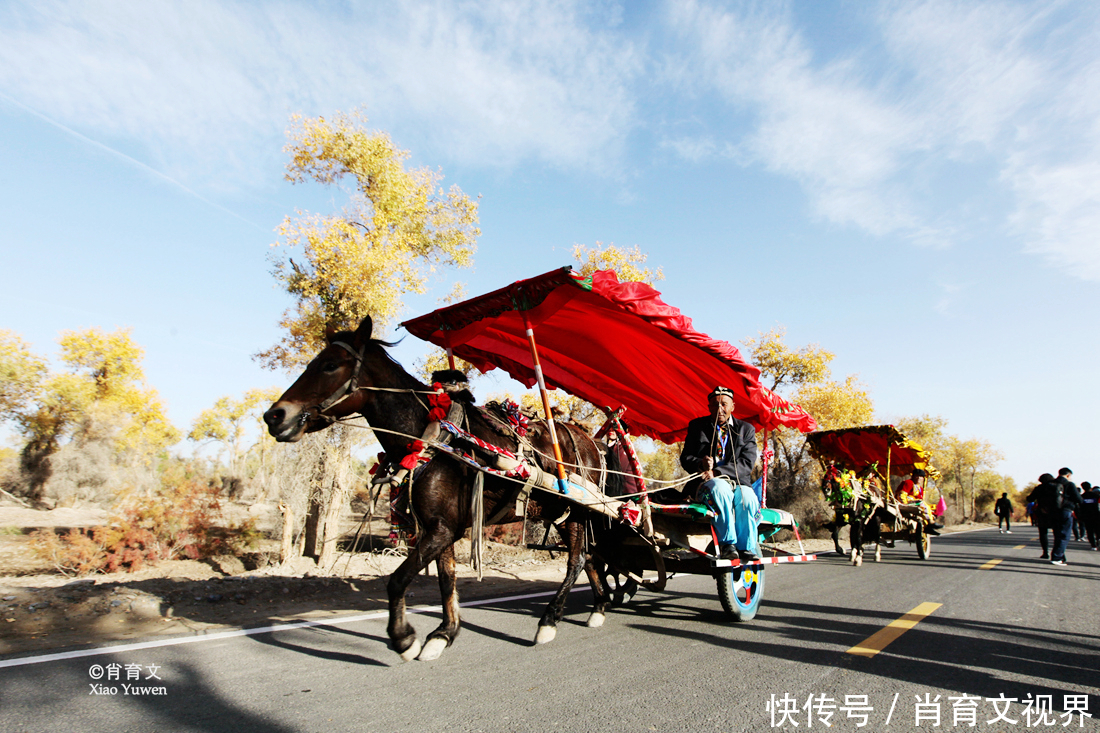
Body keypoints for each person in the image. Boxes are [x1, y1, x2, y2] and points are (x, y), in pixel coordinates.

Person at [680, 386, 761, 563]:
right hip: (706, 483)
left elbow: (747, 463)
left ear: (733, 406)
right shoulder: (697, 427)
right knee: (720, 488)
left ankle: (746, 547)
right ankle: (728, 545)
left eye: (724, 404)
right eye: (715, 405)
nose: (720, 409)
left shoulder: (746, 429)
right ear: (709, 407)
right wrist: (700, 463)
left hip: (738, 482)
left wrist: (717, 471)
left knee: (747, 498)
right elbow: (685, 458)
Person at [1049, 467, 1082, 566]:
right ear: (1068, 475)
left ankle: (1059, 556)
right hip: (1065, 511)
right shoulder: (1069, 484)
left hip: (1052, 511)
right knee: (1064, 535)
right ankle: (1057, 557)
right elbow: (1079, 499)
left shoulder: (1050, 484)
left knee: (1057, 534)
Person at [1026, 474, 1056, 558]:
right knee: (1057, 533)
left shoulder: (1039, 488)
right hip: (1055, 512)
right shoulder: (1056, 487)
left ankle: (1045, 552)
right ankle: (1059, 552)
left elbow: (1030, 499)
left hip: (1042, 512)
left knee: (1043, 533)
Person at [1079, 481, 1099, 550]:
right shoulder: (1096, 496)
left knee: (1089, 531)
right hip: (1097, 515)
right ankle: (1098, 541)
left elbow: (1079, 507)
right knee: (1098, 530)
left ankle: (1093, 545)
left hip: (1086, 516)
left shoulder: (1082, 497)